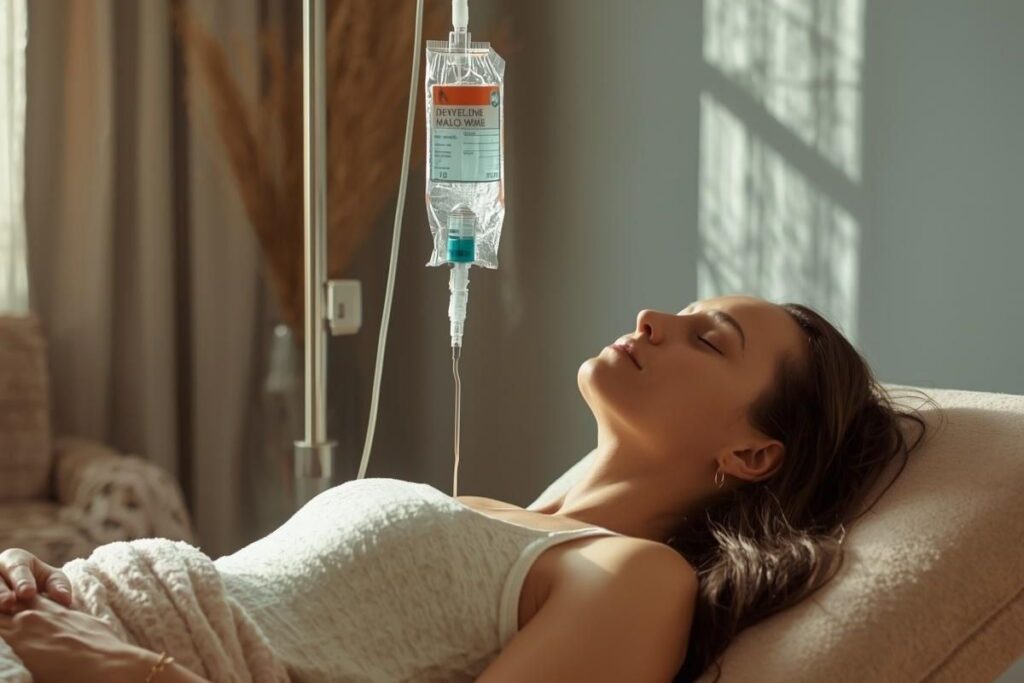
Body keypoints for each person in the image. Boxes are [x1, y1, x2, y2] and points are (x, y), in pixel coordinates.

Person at [0, 294, 931, 683]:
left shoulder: (637, 577)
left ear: (754, 454)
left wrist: (126, 670)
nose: (655, 317)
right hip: (58, 612)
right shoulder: (494, 514)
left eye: (708, 339)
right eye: (684, 312)